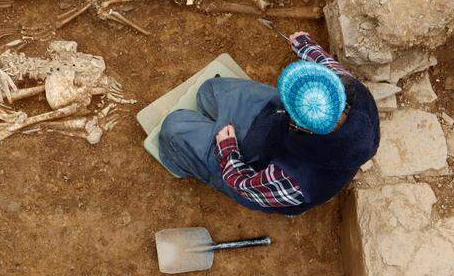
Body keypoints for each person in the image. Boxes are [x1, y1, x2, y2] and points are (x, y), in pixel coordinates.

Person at [158, 31, 379, 216]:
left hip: (258, 165)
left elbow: (244, 186)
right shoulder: (351, 92)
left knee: (173, 127)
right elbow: (329, 67)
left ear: (297, 120)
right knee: (208, 91)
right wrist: (305, 45)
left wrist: (227, 151)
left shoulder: (295, 179)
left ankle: (180, 161)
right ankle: (207, 129)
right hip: (273, 123)